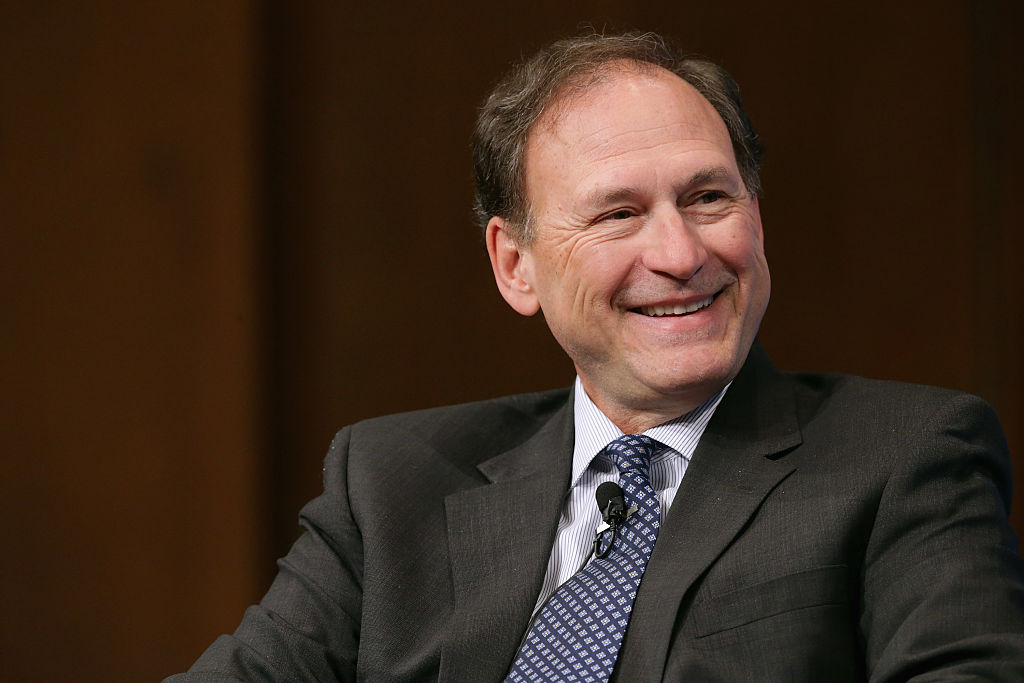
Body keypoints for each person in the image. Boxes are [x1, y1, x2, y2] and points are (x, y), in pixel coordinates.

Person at [168, 31, 1024, 682]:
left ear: (757, 214)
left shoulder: (909, 452)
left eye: (708, 196)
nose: (681, 253)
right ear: (516, 265)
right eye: (617, 214)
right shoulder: (392, 482)